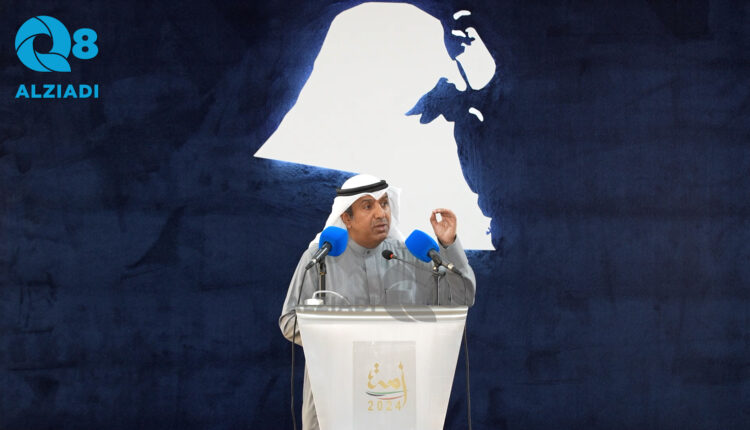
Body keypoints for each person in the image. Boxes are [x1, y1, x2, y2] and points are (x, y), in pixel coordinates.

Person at [279, 174, 476, 430]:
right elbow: (290, 322)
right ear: (346, 218)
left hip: (396, 392)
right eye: (368, 206)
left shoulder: (411, 257)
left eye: (384, 203)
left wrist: (449, 246)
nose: (381, 213)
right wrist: (343, 335)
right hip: (336, 392)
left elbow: (463, 297)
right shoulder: (319, 259)